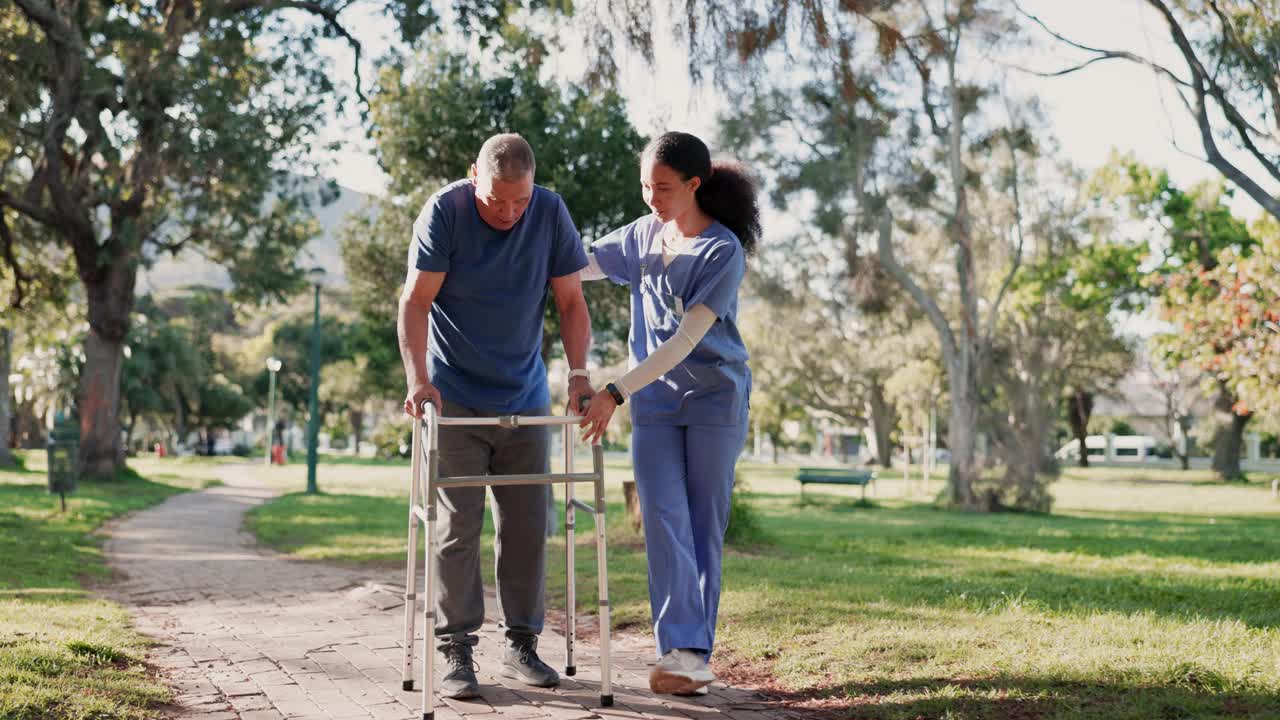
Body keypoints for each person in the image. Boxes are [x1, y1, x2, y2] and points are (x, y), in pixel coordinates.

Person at [397, 133, 595, 700]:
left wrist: (577, 375)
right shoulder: (445, 212)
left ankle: (522, 645)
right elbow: (416, 302)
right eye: (495, 201)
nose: (508, 212)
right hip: (454, 394)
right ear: (472, 177)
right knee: (457, 525)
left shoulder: (551, 212)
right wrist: (419, 381)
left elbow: (571, 302)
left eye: (519, 202)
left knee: (530, 523)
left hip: (525, 396)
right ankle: (456, 651)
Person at [577, 131, 759, 696]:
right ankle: (681, 651)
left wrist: (614, 390)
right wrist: (525, 240)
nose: (650, 197)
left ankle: (691, 654)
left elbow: (685, 341)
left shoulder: (722, 250)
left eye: (662, 187)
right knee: (662, 518)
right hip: (654, 403)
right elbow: (580, 264)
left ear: (694, 184)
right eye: (644, 185)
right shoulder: (640, 235)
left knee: (703, 521)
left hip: (712, 398)